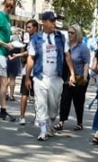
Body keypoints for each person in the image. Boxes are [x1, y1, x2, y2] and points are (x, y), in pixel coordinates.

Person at [26, 10, 73, 142]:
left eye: (54, 21)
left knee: (53, 108)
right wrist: (27, 77)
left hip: (56, 78)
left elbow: (67, 55)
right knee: (40, 105)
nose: (54, 23)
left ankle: (50, 123)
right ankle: (42, 131)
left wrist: (72, 73)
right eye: (51, 21)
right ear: (44, 22)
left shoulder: (61, 37)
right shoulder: (36, 39)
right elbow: (31, 58)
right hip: (40, 77)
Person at [57, 23, 91, 131]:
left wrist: (84, 77)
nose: (70, 35)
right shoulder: (66, 45)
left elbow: (86, 63)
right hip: (67, 77)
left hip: (80, 77)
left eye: (72, 33)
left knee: (78, 101)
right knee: (64, 99)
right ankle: (61, 122)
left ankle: (79, 122)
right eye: (69, 32)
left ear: (77, 34)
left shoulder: (83, 47)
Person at [14, 19, 38, 126]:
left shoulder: (37, 39)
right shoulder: (27, 39)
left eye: (29, 27)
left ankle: (36, 117)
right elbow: (24, 51)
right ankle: (22, 117)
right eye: (27, 27)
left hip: (35, 71)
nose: (27, 29)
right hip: (28, 71)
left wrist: (19, 55)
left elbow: (29, 53)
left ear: (35, 28)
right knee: (25, 94)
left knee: (36, 96)